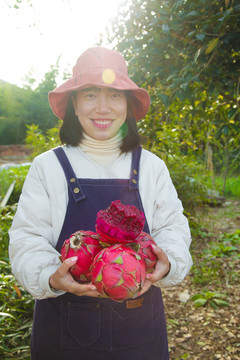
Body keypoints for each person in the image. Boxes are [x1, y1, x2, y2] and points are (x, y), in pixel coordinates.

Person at [9, 46, 192, 360]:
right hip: (62, 332)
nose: (103, 108)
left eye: (115, 94)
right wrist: (50, 275)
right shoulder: (48, 167)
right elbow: (27, 239)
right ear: (74, 105)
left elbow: (173, 229)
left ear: (128, 105)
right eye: (91, 94)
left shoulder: (151, 167)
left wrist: (169, 260)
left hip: (140, 332)